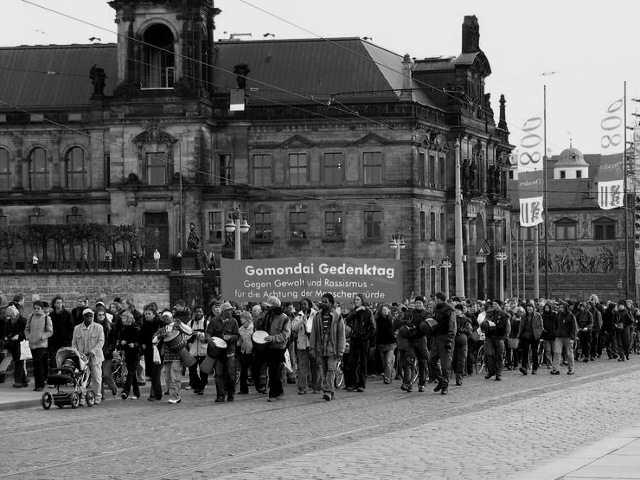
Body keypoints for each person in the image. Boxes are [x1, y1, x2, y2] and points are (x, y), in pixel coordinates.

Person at [309, 293, 346, 402]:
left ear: (331, 303)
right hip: (321, 349)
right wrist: (312, 347)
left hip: (332, 349)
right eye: (322, 301)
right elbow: (314, 333)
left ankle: (327, 391)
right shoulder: (317, 316)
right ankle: (332, 391)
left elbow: (341, 334)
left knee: (331, 370)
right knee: (324, 371)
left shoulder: (337, 317)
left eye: (325, 302)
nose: (323, 303)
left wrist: (340, 350)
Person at [205, 301, 239, 402]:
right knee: (219, 374)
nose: (231, 312)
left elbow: (237, 335)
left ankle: (231, 393)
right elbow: (208, 333)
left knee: (231, 375)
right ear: (224, 311)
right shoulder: (214, 321)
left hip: (230, 352)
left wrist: (231, 337)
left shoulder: (234, 322)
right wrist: (209, 339)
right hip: (218, 352)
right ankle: (220, 395)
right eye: (229, 310)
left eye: (232, 310)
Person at [396, 295, 430, 392]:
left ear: (423, 304)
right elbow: (399, 322)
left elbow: (429, 326)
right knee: (408, 361)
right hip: (410, 340)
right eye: (417, 303)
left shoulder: (427, 314)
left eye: (420, 303)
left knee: (422, 362)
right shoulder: (410, 313)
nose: (418, 304)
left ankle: (422, 383)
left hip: (421, 340)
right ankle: (407, 383)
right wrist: (406, 322)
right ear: (414, 304)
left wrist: (417, 327)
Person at [71, 308, 105, 405]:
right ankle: (81, 397)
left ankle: (97, 397)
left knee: (97, 378)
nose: (89, 318)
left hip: (95, 357)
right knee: (82, 379)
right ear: (83, 317)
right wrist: (77, 354)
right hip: (82, 358)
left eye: (91, 316)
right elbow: (74, 343)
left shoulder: (99, 327)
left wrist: (93, 351)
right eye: (87, 316)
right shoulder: (77, 328)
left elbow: (101, 342)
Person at [261, 296, 291, 402]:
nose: (266, 307)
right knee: (272, 372)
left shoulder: (284, 317)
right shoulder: (266, 316)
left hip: (279, 347)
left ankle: (272, 394)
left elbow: (285, 334)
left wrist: (273, 338)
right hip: (268, 347)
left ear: (275, 307)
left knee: (275, 370)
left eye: (269, 306)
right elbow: (262, 328)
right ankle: (279, 391)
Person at [344, 294, 376, 393]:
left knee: (363, 362)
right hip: (354, 338)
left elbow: (373, 327)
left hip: (363, 339)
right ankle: (353, 383)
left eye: (358, 299)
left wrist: (367, 337)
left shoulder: (368, 312)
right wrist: (355, 311)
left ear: (362, 300)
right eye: (355, 300)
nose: (356, 301)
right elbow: (348, 319)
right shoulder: (354, 311)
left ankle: (361, 384)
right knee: (351, 361)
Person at [429, 292, 456, 395]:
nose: (434, 300)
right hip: (436, 338)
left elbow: (452, 326)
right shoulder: (436, 308)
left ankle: (445, 385)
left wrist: (449, 340)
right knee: (432, 361)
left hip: (445, 338)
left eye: (435, 298)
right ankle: (441, 380)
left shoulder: (450, 310)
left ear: (440, 299)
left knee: (445, 365)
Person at [25, 301, 53, 391]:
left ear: (41, 309)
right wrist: (28, 336)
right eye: (35, 308)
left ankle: (40, 385)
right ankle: (37, 385)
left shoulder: (46, 318)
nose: (36, 310)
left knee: (38, 364)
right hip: (32, 344)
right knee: (36, 364)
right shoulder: (31, 316)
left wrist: (42, 337)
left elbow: (50, 331)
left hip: (41, 345)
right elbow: (27, 328)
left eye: (38, 308)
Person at [291, 298, 318, 394]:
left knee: (315, 367)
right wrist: (302, 321)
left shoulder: (316, 315)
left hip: (314, 345)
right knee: (302, 367)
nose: (303, 306)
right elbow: (294, 327)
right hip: (302, 345)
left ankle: (316, 387)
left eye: (305, 304)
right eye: (301, 304)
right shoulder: (298, 316)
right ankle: (302, 388)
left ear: (310, 305)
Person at [483, 300, 511, 381]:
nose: (494, 305)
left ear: (500, 305)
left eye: (496, 304)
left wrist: (504, 337)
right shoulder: (489, 313)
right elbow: (484, 323)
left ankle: (498, 373)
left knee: (499, 356)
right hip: (489, 337)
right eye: (493, 304)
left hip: (500, 338)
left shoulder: (504, 315)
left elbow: (508, 327)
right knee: (488, 354)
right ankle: (491, 371)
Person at [140, 304, 163, 401]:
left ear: (154, 314)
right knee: (152, 374)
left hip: (158, 351)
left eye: (149, 314)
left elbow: (163, 337)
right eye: (145, 314)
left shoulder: (160, 324)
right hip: (148, 352)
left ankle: (152, 394)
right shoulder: (144, 325)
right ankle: (159, 394)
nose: (147, 315)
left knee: (155, 373)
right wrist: (143, 344)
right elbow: (141, 337)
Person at [1, 306, 28, 387]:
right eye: (9, 316)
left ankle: (18, 382)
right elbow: (5, 331)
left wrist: (19, 336)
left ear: (16, 313)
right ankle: (24, 380)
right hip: (12, 345)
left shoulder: (23, 320)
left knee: (19, 362)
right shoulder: (9, 321)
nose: (11, 317)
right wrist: (5, 336)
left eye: (12, 315)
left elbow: (26, 332)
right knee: (17, 362)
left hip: (20, 344)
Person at [94, 307, 118, 399]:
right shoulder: (93, 326)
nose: (101, 316)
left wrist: (108, 350)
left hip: (107, 353)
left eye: (103, 314)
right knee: (98, 375)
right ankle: (101, 394)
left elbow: (113, 341)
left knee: (107, 374)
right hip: (96, 353)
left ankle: (113, 388)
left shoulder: (110, 326)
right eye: (99, 315)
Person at [118, 311, 141, 400]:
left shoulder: (136, 328)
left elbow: (141, 340)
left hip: (136, 353)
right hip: (127, 353)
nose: (122, 320)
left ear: (129, 319)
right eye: (122, 318)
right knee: (132, 374)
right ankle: (136, 393)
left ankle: (125, 391)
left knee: (131, 372)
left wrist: (134, 344)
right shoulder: (123, 329)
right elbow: (120, 341)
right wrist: (122, 342)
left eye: (124, 318)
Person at [47, 296, 74, 373]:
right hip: (53, 341)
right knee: (53, 359)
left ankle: (64, 376)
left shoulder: (68, 314)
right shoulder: (51, 315)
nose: (59, 304)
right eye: (57, 303)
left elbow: (70, 328)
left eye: (61, 302)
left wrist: (68, 340)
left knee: (64, 360)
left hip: (64, 341)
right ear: (54, 304)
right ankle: (54, 377)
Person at [187, 306, 209, 395]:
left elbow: (208, 337)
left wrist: (200, 335)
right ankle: (197, 385)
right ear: (194, 313)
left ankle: (202, 387)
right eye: (196, 311)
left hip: (204, 351)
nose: (198, 313)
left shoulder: (206, 323)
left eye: (200, 311)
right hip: (193, 351)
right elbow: (186, 335)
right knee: (192, 370)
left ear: (203, 313)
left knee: (203, 370)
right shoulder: (190, 323)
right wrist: (192, 336)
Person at [518, 303, 543, 375]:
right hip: (525, 336)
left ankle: (535, 368)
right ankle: (524, 368)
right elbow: (521, 326)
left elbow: (541, 326)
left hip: (534, 336)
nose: (529, 310)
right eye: (528, 308)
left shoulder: (537, 315)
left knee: (534, 352)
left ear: (533, 308)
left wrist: (538, 334)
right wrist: (519, 334)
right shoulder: (523, 316)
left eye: (530, 308)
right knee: (524, 352)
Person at [375, 303, 397, 385]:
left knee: (388, 361)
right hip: (381, 343)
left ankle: (387, 378)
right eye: (384, 309)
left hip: (391, 343)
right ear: (380, 311)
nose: (385, 311)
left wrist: (395, 334)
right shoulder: (377, 320)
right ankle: (391, 372)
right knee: (385, 362)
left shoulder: (391, 319)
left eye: (387, 309)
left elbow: (395, 328)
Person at [552, 301, 577, 375]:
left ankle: (571, 369)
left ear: (566, 307)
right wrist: (556, 332)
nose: (560, 308)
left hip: (568, 337)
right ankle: (555, 369)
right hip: (559, 337)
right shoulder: (558, 315)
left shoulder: (571, 316)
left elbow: (574, 328)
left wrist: (572, 338)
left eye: (562, 307)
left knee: (569, 353)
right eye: (559, 307)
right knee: (557, 352)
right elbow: (555, 324)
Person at [453, 303, 472, 386]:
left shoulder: (466, 320)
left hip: (462, 342)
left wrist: (462, 330)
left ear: (461, 311)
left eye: (457, 310)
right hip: (453, 341)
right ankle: (456, 372)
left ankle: (459, 378)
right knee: (453, 361)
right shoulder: (452, 319)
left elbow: (469, 330)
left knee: (461, 360)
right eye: (455, 310)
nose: (456, 311)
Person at [250, 303, 267, 394]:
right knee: (255, 367)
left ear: (260, 312)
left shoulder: (262, 320)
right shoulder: (250, 320)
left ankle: (263, 385)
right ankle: (257, 385)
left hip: (262, 346)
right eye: (253, 311)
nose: (253, 313)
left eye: (255, 311)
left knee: (262, 366)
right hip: (253, 347)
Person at [237, 311, 254, 395]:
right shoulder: (240, 329)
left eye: (242, 318)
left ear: (248, 319)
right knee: (243, 371)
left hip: (253, 351)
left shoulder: (253, 328)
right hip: (244, 352)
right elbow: (239, 341)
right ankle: (243, 389)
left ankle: (259, 386)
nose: (241, 320)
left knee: (255, 370)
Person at [540, 302, 557, 369]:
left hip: (553, 335)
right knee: (548, 351)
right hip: (546, 335)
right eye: (545, 307)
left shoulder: (554, 315)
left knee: (554, 351)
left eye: (548, 307)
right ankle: (549, 364)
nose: (546, 309)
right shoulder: (543, 316)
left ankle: (555, 363)